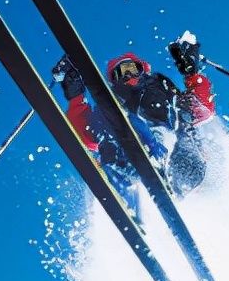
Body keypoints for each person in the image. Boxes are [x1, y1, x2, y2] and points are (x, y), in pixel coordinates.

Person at [52, 31, 215, 204]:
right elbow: (87, 135)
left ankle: (159, 166)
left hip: (183, 158)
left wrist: (191, 73)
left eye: (131, 69)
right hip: (131, 162)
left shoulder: (160, 86)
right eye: (121, 73)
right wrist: (75, 93)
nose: (128, 75)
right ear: (114, 80)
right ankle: (127, 194)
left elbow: (201, 109)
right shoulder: (110, 104)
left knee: (156, 106)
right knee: (108, 122)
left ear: (141, 69)